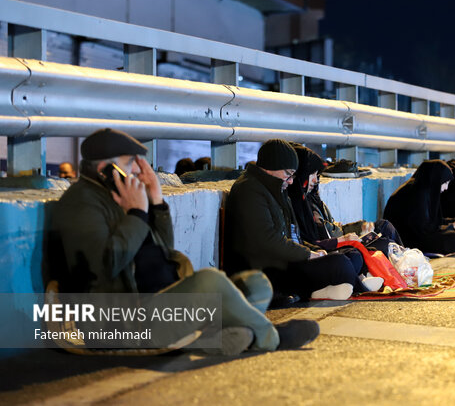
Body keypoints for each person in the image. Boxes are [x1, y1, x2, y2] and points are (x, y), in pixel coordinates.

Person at [51, 128, 318, 355]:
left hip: (161, 300)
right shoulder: (82, 204)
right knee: (211, 281)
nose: (134, 171)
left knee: (257, 285)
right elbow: (106, 264)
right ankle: (270, 338)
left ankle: (230, 337)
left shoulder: (117, 195)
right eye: (129, 163)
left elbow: (163, 251)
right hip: (123, 322)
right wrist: (136, 214)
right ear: (104, 168)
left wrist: (155, 203)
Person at [224, 139, 365, 301]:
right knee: (340, 264)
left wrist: (315, 251)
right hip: (267, 271)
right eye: (288, 174)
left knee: (350, 257)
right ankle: (355, 287)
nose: (291, 181)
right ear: (272, 166)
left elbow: (293, 235)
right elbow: (267, 241)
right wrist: (307, 254)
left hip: (284, 263)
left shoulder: (275, 188)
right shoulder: (249, 190)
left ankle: (327, 290)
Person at [287, 144, 402, 256]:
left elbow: (333, 228)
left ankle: (407, 263)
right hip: (336, 246)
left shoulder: (312, 199)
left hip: (340, 240)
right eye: (312, 174)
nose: (315, 180)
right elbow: (315, 241)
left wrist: (360, 226)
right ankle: (404, 265)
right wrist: (342, 239)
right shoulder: (299, 206)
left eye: (317, 175)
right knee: (384, 245)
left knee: (384, 226)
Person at [383, 160, 455, 255]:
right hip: (406, 240)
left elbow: (432, 222)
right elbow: (421, 228)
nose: (446, 188)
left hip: (418, 235)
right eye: (445, 182)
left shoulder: (423, 190)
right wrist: (450, 227)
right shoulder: (416, 193)